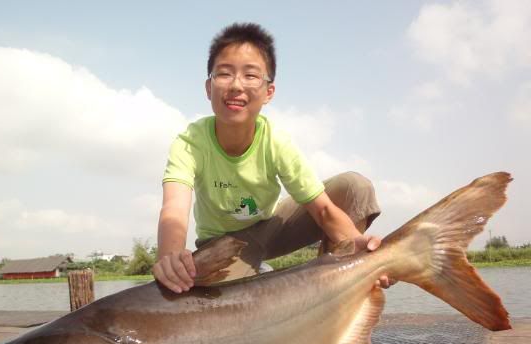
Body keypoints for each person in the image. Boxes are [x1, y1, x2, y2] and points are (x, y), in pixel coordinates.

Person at [153, 22, 393, 294]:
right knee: (217, 299)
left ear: (269, 92)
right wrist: (170, 257)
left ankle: (337, 283)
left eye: (250, 75)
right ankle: (256, 273)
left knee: (354, 187)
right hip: (221, 245)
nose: (236, 85)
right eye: (224, 73)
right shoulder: (190, 142)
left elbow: (323, 210)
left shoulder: (276, 141)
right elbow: (174, 210)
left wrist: (359, 250)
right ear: (209, 87)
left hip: (270, 227)